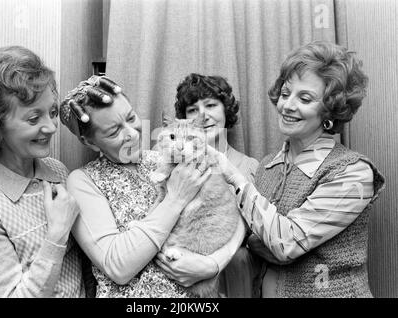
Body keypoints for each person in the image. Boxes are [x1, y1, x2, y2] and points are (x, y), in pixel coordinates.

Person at [208, 41, 385, 297]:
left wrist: (232, 175)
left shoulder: (353, 173)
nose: (287, 105)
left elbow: (285, 243)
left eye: (304, 98)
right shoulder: (268, 167)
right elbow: (252, 238)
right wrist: (263, 241)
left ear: (330, 110)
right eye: (285, 93)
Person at [61, 75, 246, 297]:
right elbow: (118, 268)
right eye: (114, 131)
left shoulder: (165, 156)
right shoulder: (83, 181)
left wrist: (214, 263)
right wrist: (176, 198)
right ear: (89, 142)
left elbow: (240, 212)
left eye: (131, 118)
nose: (131, 133)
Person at [0, 46, 85, 297]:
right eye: (34, 119)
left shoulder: (57, 172)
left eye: (52, 112)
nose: (51, 127)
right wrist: (57, 234)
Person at [155, 73, 259, 298]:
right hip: (174, 273)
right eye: (193, 109)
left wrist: (211, 264)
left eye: (211, 105)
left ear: (226, 110)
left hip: (228, 274)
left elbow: (249, 225)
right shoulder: (168, 163)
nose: (203, 115)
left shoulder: (249, 166)